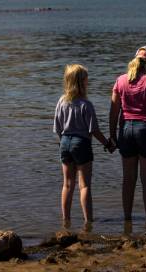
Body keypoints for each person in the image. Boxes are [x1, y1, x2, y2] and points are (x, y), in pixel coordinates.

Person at [109, 46, 146, 227]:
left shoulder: (120, 81)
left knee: (128, 179)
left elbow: (113, 112)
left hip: (126, 130)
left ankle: (127, 220)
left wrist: (112, 135)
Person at [54, 64, 114, 228]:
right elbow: (93, 130)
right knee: (84, 185)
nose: (89, 82)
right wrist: (108, 143)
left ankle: (66, 220)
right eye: (87, 79)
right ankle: (88, 221)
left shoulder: (61, 101)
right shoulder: (86, 104)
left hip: (64, 142)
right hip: (81, 143)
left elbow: (57, 128)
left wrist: (64, 142)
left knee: (67, 184)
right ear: (82, 83)